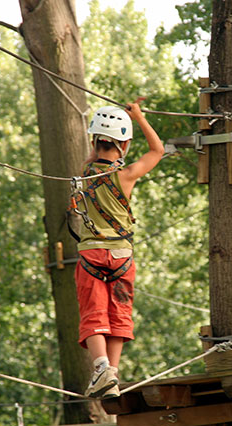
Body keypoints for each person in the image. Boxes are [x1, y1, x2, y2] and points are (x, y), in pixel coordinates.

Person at [72, 98, 164, 398]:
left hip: (91, 256)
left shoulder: (83, 175)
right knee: (119, 314)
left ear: (94, 141)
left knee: (93, 312)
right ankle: (111, 374)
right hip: (122, 257)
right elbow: (157, 151)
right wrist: (138, 118)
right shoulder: (125, 175)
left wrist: (102, 137)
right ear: (123, 146)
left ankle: (102, 370)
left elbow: (94, 156)